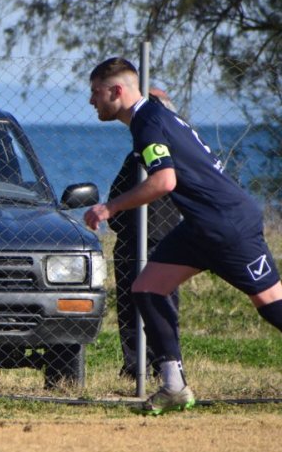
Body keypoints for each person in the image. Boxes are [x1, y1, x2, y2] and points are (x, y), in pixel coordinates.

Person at [85, 57, 282, 414]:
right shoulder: (152, 117)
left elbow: (164, 181)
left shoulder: (148, 122)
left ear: (117, 90)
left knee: (272, 306)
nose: (91, 101)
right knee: (146, 288)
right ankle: (173, 387)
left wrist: (109, 208)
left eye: (96, 93)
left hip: (226, 225)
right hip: (200, 226)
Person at [109, 88, 181, 379]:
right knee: (157, 304)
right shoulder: (177, 153)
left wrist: (118, 221)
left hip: (145, 238)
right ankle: (156, 363)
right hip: (159, 238)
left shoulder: (146, 154)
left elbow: (117, 194)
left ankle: (140, 364)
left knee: (138, 304)